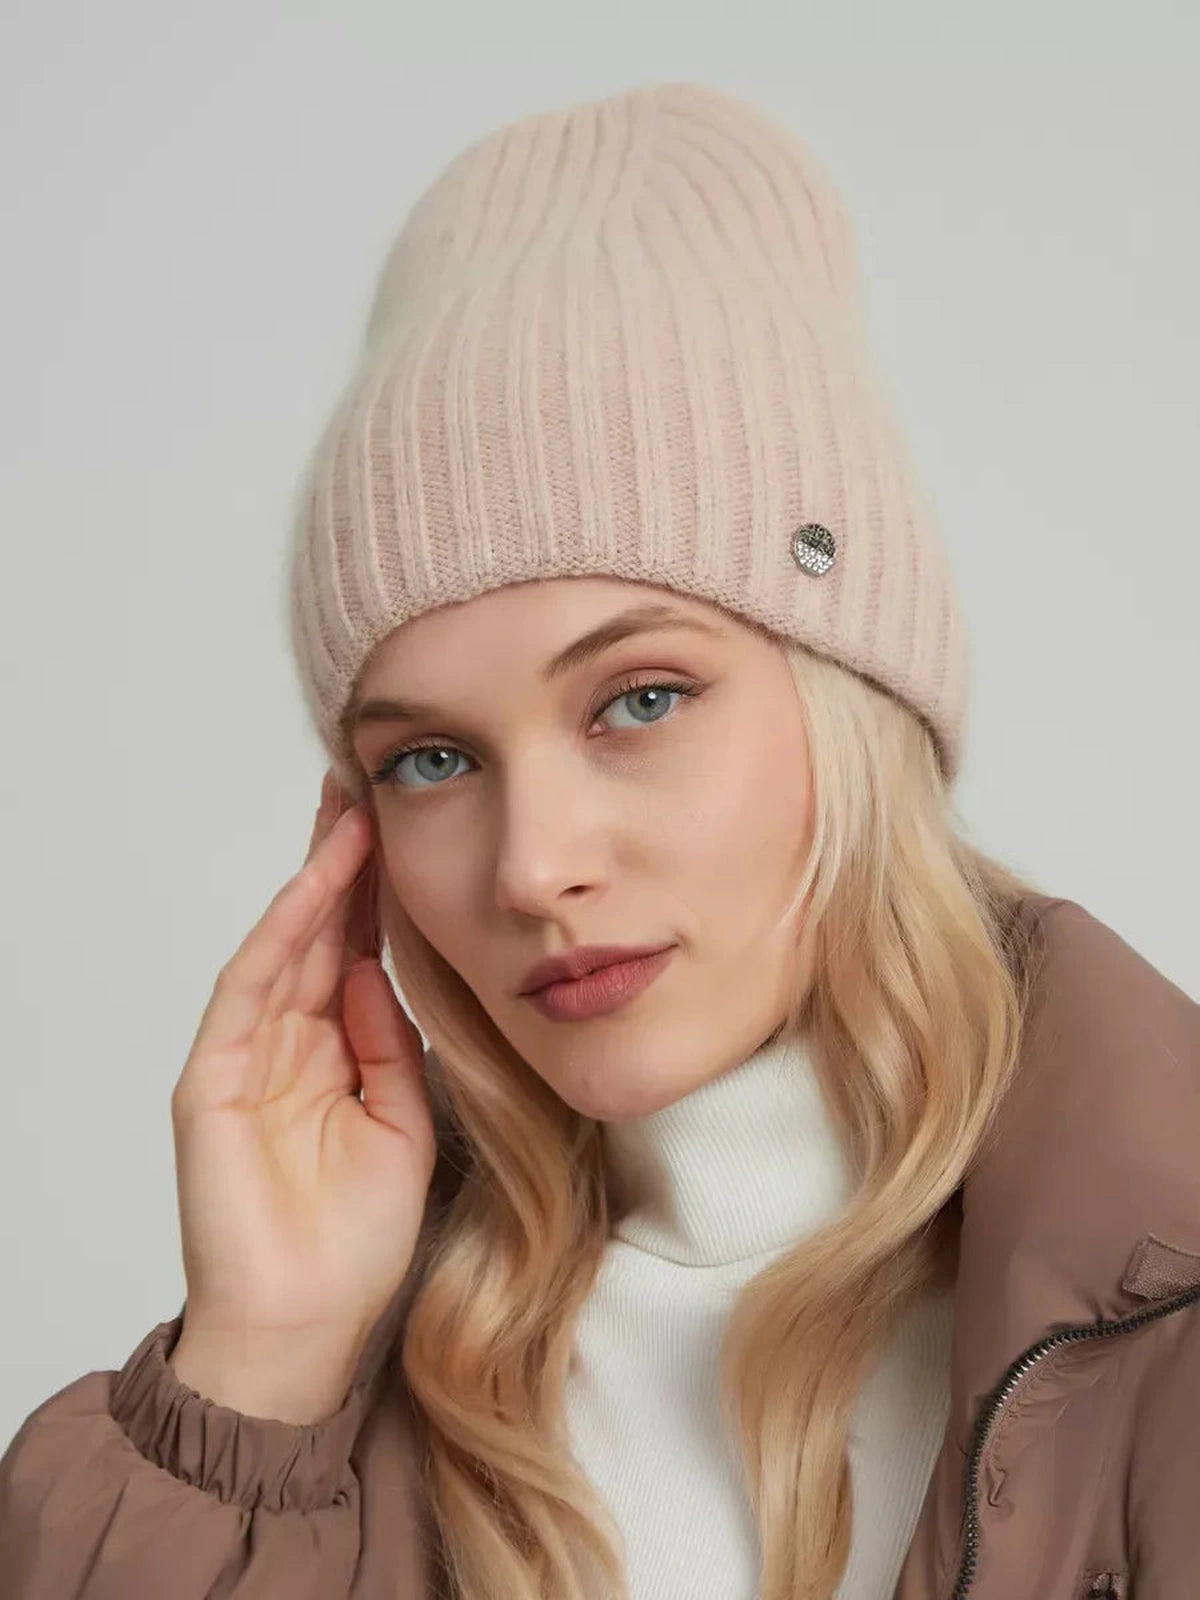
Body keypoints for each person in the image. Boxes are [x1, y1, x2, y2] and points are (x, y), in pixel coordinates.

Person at [1, 80, 1196, 1600]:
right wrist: (256, 1376)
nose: (530, 867)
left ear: (855, 698)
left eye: (640, 699)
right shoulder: (339, 1403)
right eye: (430, 759)